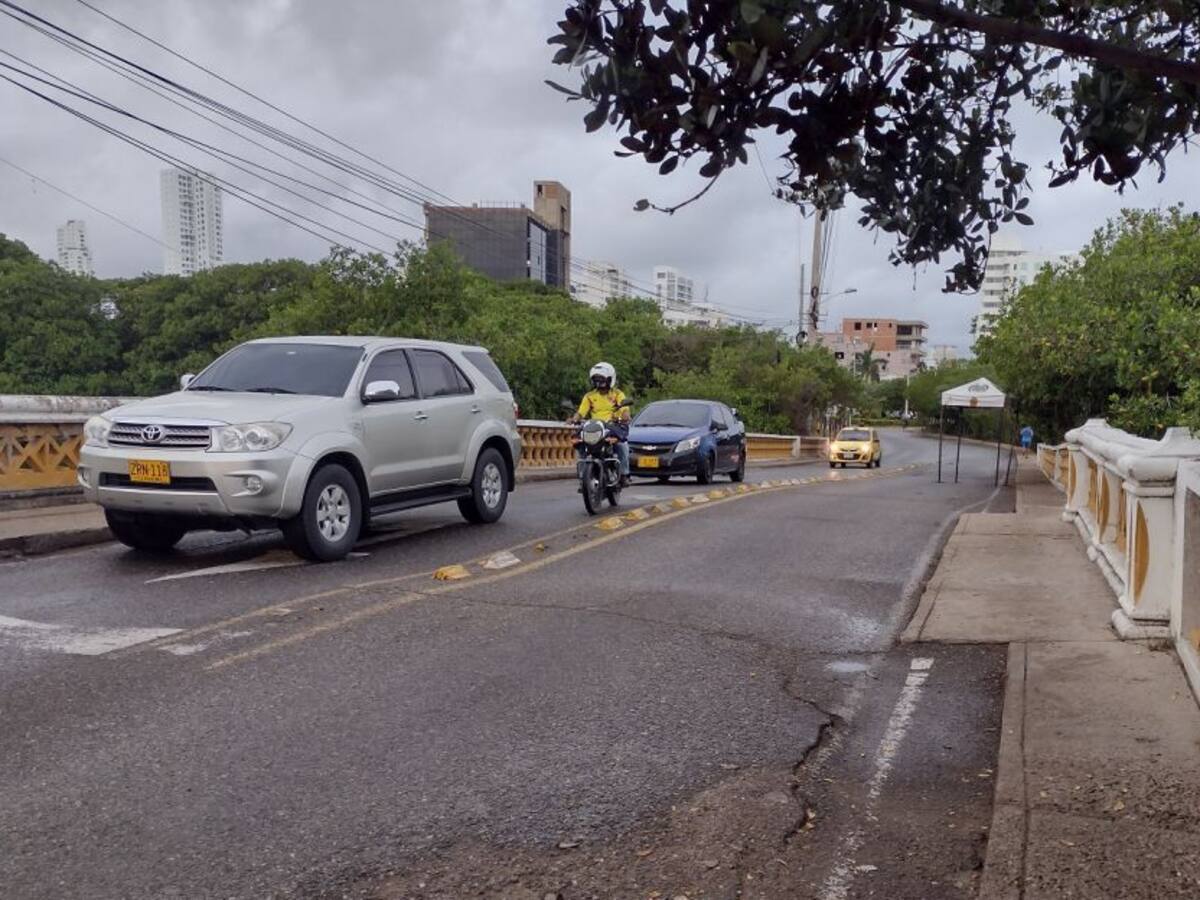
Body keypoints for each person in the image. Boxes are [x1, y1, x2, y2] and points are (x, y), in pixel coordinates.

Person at [568, 361, 631, 485]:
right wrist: (574, 419)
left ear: (610, 379)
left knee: (622, 446)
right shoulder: (589, 396)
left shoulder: (618, 394)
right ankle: (582, 475)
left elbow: (625, 409)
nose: (599, 382)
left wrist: (625, 416)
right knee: (579, 443)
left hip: (613, 426)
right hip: (594, 427)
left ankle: (624, 474)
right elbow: (581, 412)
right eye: (596, 380)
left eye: (602, 379)